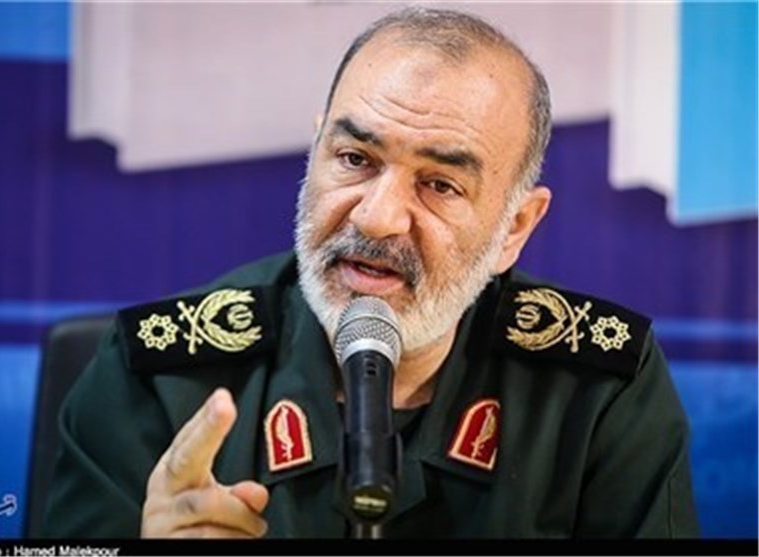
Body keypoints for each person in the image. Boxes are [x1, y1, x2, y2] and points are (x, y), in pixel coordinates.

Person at [42, 7, 699, 539]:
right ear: (315, 151)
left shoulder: (599, 389)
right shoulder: (161, 376)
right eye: (355, 158)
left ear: (515, 228)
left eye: (440, 184)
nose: (378, 217)